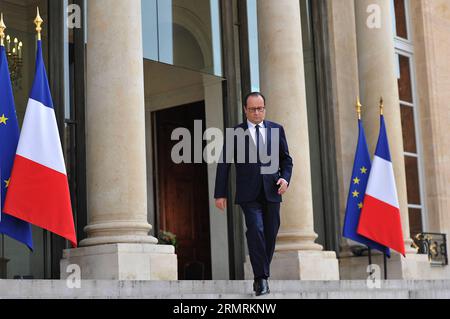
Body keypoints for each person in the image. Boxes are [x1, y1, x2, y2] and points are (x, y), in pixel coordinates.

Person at [214, 92, 293, 296]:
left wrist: (285, 178)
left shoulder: (277, 130)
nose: (257, 112)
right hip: (248, 193)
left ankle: (262, 272)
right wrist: (219, 193)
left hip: (272, 191)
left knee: (270, 233)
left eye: (260, 108)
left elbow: (286, 160)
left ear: (264, 108)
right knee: (255, 230)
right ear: (245, 110)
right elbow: (224, 164)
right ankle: (261, 278)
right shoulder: (235, 133)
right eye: (252, 109)